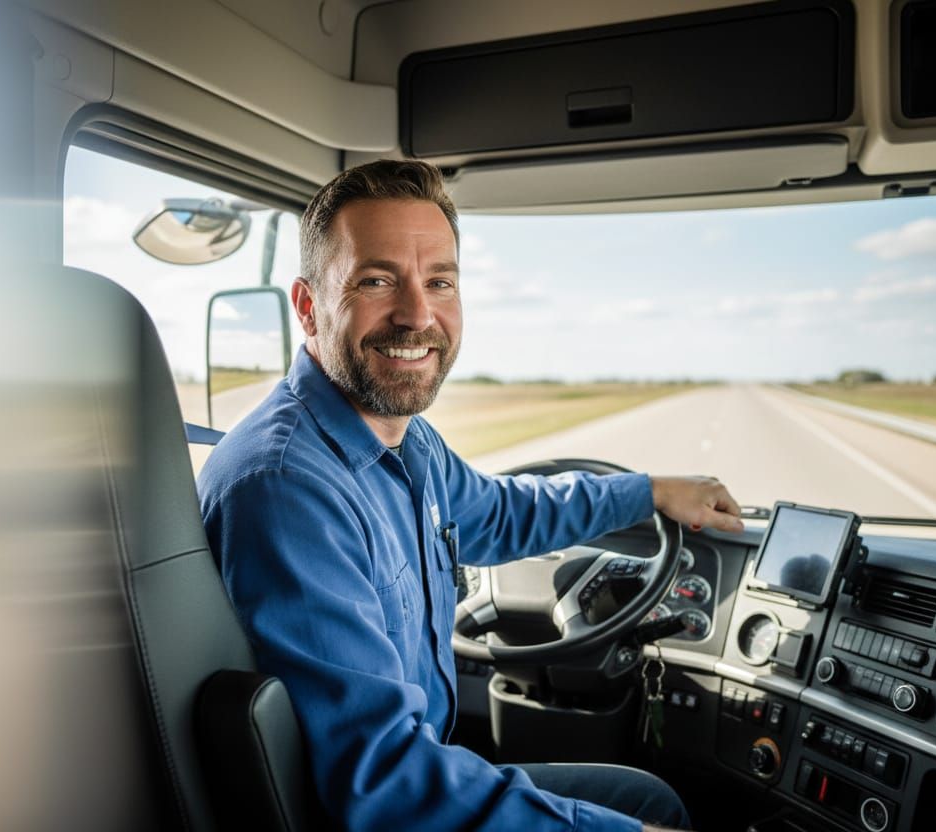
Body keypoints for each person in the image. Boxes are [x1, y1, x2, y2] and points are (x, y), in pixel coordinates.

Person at [198, 159, 744, 831]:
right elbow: (384, 783)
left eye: (440, 282)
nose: (417, 315)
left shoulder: (405, 440)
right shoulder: (289, 487)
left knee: (650, 798)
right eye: (377, 280)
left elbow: (499, 511)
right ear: (309, 306)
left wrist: (649, 493)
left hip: (421, 764)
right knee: (642, 816)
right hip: (371, 804)